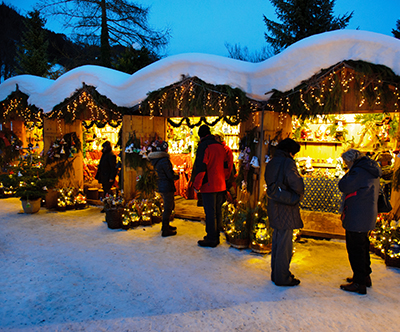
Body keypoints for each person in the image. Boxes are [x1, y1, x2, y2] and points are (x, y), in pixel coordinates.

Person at [338, 149, 382, 295]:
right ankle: (364, 276)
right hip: (366, 213)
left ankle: (359, 283)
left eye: (346, 163)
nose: (346, 165)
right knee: (362, 246)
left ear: (351, 161)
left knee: (355, 248)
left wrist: (348, 173)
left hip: (357, 214)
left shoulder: (358, 171)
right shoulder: (369, 168)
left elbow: (343, 185)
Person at [264, 138, 304, 286]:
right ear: (290, 151)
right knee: (284, 244)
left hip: (275, 203)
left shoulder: (273, 161)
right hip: (285, 205)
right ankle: (282, 277)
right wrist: (298, 193)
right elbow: (296, 183)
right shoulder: (287, 162)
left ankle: (277, 274)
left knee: (278, 241)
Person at [192, 125, 228, 247]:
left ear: (201, 136)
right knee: (217, 211)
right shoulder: (220, 146)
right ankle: (215, 235)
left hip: (209, 185)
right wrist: (225, 179)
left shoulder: (204, 146)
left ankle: (212, 239)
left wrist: (196, 185)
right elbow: (227, 166)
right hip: (220, 184)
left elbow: (201, 168)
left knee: (210, 213)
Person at [148, 140, 179, 237]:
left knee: (167, 206)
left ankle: (165, 225)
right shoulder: (164, 160)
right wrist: (176, 176)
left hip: (161, 184)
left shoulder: (156, 160)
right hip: (166, 186)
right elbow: (169, 174)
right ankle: (165, 229)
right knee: (168, 207)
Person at [214, 130, 235, 232]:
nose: (215, 139)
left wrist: (226, 176)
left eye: (217, 138)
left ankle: (225, 220)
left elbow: (228, 164)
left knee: (225, 198)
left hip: (224, 177)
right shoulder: (216, 148)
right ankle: (219, 222)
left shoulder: (226, 149)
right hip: (218, 177)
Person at [95, 141, 117, 211]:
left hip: (107, 176)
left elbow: (113, 167)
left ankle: (109, 205)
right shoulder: (105, 154)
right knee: (106, 190)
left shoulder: (110, 155)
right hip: (104, 175)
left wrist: (112, 177)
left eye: (104, 147)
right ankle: (107, 205)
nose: (103, 149)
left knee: (107, 191)